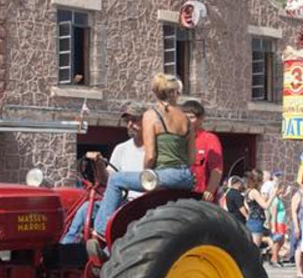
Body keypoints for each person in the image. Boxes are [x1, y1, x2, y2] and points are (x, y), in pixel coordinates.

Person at [91, 74, 195, 244]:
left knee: (117, 179)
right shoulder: (186, 120)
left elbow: (151, 155)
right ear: (175, 93)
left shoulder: (151, 115)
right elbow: (190, 159)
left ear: (155, 92)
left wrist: (147, 175)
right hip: (185, 176)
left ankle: (101, 231)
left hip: (164, 175)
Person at [61, 103, 147, 244]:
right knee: (84, 209)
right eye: (128, 121)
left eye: (135, 120)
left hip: (139, 204)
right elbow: (107, 180)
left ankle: (102, 242)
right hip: (120, 201)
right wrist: (99, 163)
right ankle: (65, 250)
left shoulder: (153, 149)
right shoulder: (121, 149)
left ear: (146, 121)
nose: (130, 124)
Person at [183, 100, 223, 201]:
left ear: (201, 119)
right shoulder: (178, 140)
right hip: (181, 196)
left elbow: (216, 169)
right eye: (184, 117)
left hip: (200, 198)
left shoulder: (209, 139)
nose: (187, 120)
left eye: (191, 117)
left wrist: (209, 191)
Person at [244, 170, 273, 250]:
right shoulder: (254, 192)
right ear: (258, 181)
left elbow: (247, 206)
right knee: (255, 250)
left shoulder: (248, 191)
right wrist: (274, 194)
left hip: (250, 221)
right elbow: (265, 206)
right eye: (261, 180)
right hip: (256, 222)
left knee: (250, 249)